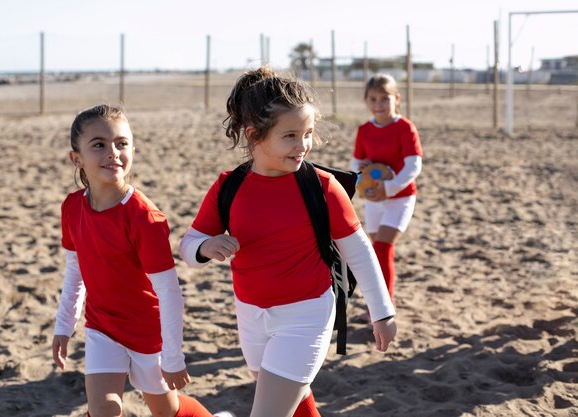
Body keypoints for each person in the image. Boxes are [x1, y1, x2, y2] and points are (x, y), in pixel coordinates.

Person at [179, 67, 397, 417]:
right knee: (294, 402)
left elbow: (359, 252)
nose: (303, 146)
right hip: (250, 316)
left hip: (306, 316)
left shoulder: (323, 187)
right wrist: (204, 248)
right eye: (291, 136)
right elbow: (188, 244)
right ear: (254, 134)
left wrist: (382, 311)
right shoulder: (228, 187)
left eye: (308, 134)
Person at [51, 104, 234, 417]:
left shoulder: (143, 217)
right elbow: (75, 272)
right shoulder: (71, 208)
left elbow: (169, 293)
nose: (112, 153)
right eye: (99, 145)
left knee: (167, 411)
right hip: (102, 328)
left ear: (132, 149)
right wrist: (63, 326)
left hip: (149, 335)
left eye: (121, 144)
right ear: (76, 158)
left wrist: (174, 359)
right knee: (104, 409)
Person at [351, 74, 424, 301]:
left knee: (383, 247)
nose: (378, 104)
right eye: (372, 99)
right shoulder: (364, 130)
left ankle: (384, 304)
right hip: (374, 198)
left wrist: (390, 187)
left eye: (384, 98)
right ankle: (378, 304)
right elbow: (356, 163)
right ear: (366, 101)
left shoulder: (405, 127)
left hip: (400, 197)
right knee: (376, 251)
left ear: (397, 99)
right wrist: (362, 170)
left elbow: (414, 165)